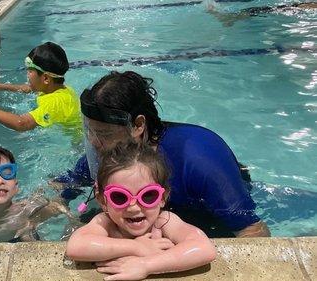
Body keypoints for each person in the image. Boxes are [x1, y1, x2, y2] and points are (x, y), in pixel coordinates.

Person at [57, 71, 270, 238]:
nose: (94, 142)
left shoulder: (198, 159)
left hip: (202, 214)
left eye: (103, 133)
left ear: (138, 125)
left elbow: (252, 231)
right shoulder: (111, 154)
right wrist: (29, 212)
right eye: (91, 132)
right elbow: (64, 187)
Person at [66, 142, 216, 281]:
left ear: (163, 197)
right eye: (119, 197)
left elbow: (204, 248)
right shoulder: (106, 223)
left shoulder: (164, 221)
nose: (134, 207)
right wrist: (137, 247)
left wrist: (146, 265)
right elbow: (75, 246)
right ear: (103, 201)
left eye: (148, 195)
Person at [0, 42, 83, 140]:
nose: (27, 74)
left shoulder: (55, 102)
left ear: (45, 78)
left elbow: (22, 123)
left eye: (30, 71)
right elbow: (29, 89)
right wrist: (1, 86)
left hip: (70, 146)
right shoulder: (58, 89)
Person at [206, 1, 317, 27]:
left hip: (297, 9)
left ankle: (229, 18)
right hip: (296, 8)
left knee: (257, 10)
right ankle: (230, 18)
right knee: (257, 10)